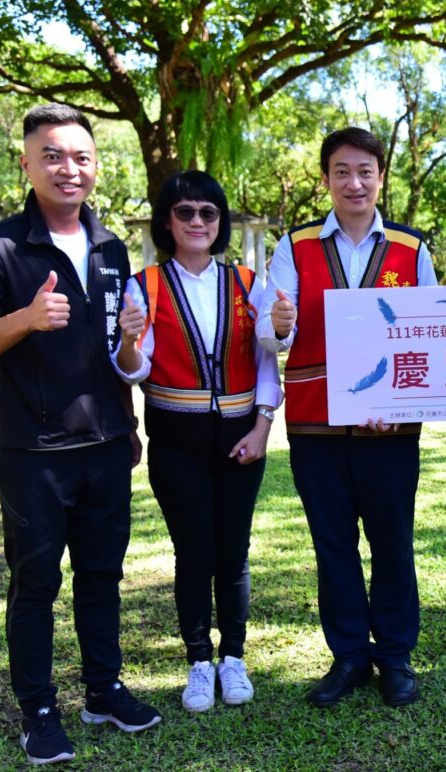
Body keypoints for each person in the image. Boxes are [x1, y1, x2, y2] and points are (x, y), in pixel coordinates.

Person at [0, 104, 160, 766]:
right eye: (54, 156)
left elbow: (114, 355)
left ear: (96, 166)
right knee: (35, 582)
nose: (70, 169)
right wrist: (25, 318)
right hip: (32, 452)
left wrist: (129, 348)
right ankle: (38, 710)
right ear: (28, 164)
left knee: (102, 575)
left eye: (82, 157)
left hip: (104, 446)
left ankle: (104, 689)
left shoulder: (110, 248)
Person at [256, 127, 436, 707]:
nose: (353, 182)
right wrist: (281, 322)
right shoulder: (296, 245)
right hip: (317, 424)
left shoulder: (410, 249)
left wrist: (398, 403)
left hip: (391, 428)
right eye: (341, 171)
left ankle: (395, 658)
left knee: (392, 544)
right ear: (326, 179)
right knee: (332, 545)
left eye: (364, 170)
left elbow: (428, 334)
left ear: (381, 176)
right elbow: (271, 334)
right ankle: (349, 657)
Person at [112, 171, 281, 713]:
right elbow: (132, 371)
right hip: (175, 440)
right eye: (184, 212)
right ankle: (198, 662)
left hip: (241, 437)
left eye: (208, 213)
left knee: (233, 554)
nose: (197, 223)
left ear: (220, 221)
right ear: (167, 220)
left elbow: (268, 355)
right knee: (193, 554)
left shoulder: (248, 282)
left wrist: (261, 428)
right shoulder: (145, 286)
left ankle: (234, 657)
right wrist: (130, 340)